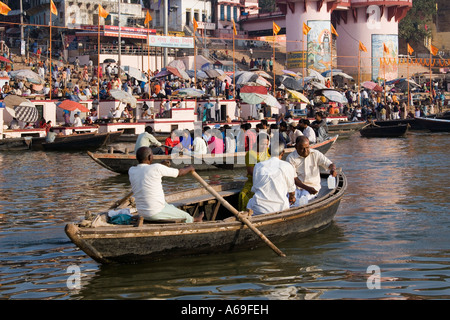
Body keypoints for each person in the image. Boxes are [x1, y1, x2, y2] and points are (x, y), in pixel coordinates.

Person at [129, 147, 203, 223]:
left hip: (141, 213)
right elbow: (180, 173)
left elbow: (146, 170)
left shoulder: (131, 170)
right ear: (150, 157)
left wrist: (160, 165)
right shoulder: (157, 168)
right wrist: (189, 168)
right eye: (152, 155)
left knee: (169, 206)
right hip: (155, 212)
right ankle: (195, 220)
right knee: (186, 216)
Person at [246, 140, 296, 215]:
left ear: (268, 152)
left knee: (251, 202)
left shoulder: (258, 166)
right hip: (280, 208)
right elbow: (291, 190)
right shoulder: (287, 166)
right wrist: (292, 197)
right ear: (282, 153)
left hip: (258, 209)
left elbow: (255, 188)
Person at [286, 136, 337, 206]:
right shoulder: (291, 158)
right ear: (296, 147)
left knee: (304, 200)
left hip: (313, 187)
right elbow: (294, 179)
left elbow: (329, 164)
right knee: (289, 202)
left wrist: (333, 169)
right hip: (297, 188)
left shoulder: (315, 154)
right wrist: (307, 188)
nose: (305, 151)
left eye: (307, 147)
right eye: (302, 149)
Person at [238, 133, 271, 211]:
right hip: (254, 181)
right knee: (243, 195)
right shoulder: (250, 154)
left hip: (268, 180)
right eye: (262, 144)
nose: (264, 146)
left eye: (266, 144)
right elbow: (251, 172)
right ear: (257, 143)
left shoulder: (268, 152)